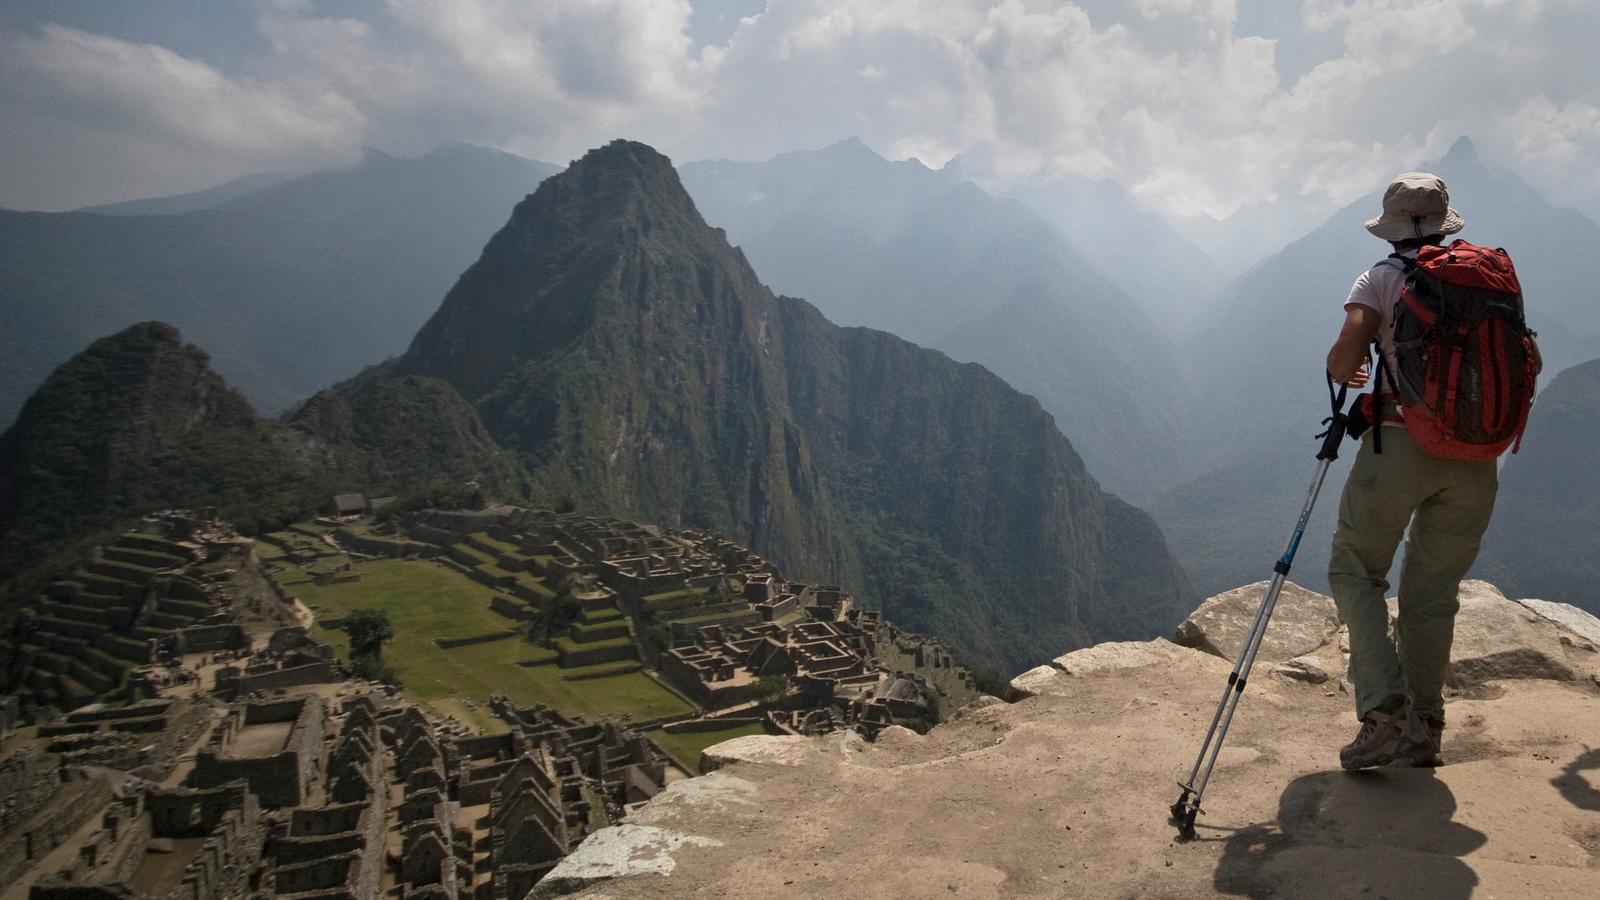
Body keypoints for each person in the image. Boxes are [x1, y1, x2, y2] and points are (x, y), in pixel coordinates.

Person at [1324, 172, 1498, 770]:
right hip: (1476, 459)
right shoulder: (1486, 279)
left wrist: (1351, 371)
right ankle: (1425, 725)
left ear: (1392, 224)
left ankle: (1384, 712)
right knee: (1431, 593)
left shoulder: (1381, 277)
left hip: (1400, 445)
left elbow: (1347, 353)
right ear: (1446, 221)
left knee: (1355, 569)